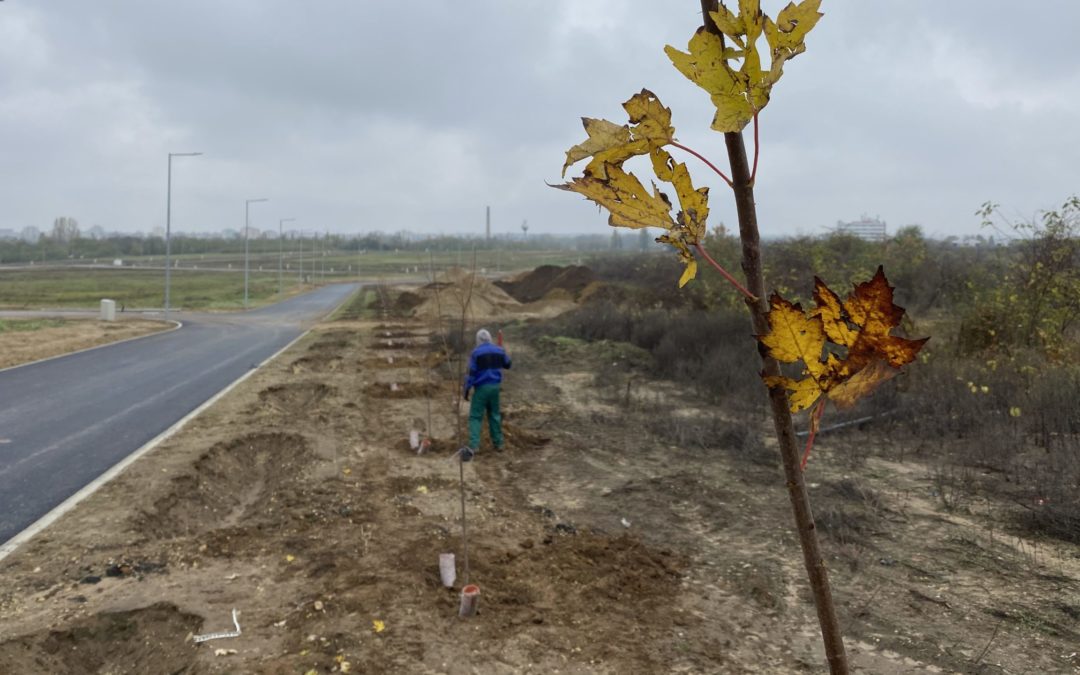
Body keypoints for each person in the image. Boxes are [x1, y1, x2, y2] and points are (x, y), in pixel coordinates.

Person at [460, 328, 511, 461]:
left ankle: (474, 445)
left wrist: (466, 389)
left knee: (475, 417)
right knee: (494, 415)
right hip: (495, 388)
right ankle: (499, 444)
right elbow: (508, 364)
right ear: (490, 338)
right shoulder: (499, 350)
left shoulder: (476, 353)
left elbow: (471, 373)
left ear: (478, 340)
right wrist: (502, 353)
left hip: (482, 388)